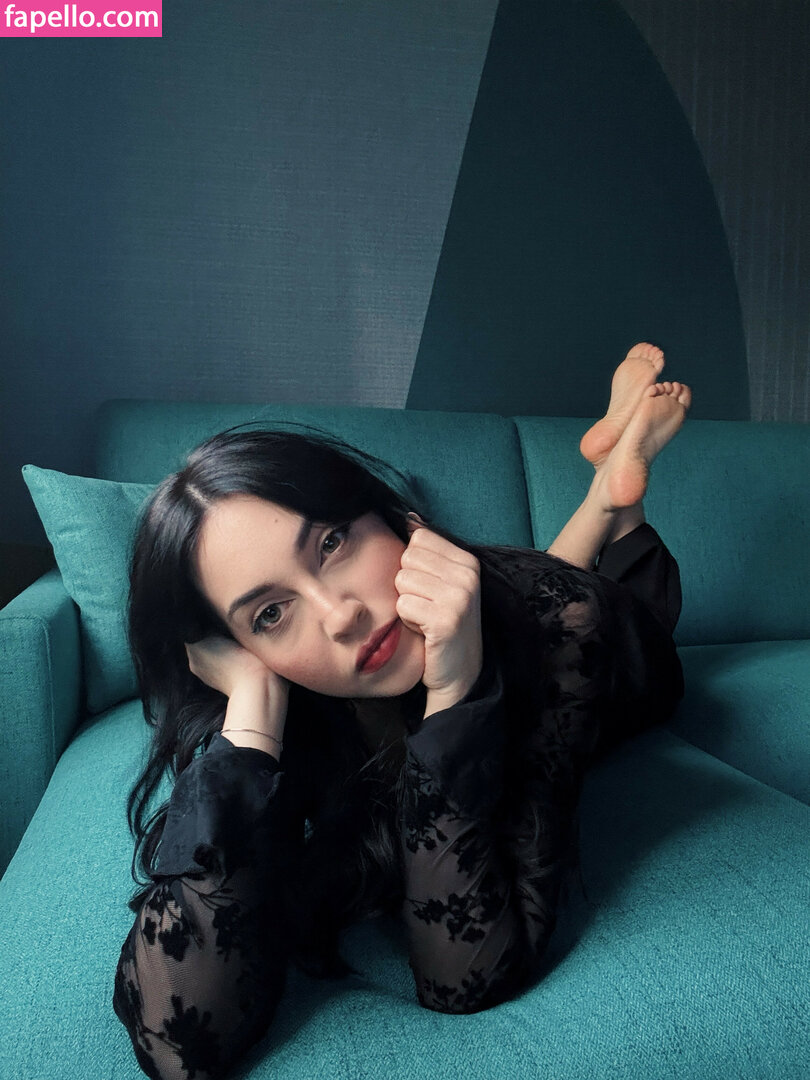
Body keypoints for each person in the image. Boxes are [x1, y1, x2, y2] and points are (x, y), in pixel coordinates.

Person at [113, 344, 691, 1080]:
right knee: (521, 594)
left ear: (395, 519)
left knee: (592, 610)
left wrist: (452, 693)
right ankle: (604, 491)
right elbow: (179, 1048)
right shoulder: (290, 697)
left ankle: (618, 500)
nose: (341, 615)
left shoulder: (566, 629)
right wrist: (251, 720)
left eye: (331, 543)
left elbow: (465, 980)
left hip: (599, 640)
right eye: (269, 615)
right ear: (237, 650)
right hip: (497, 597)